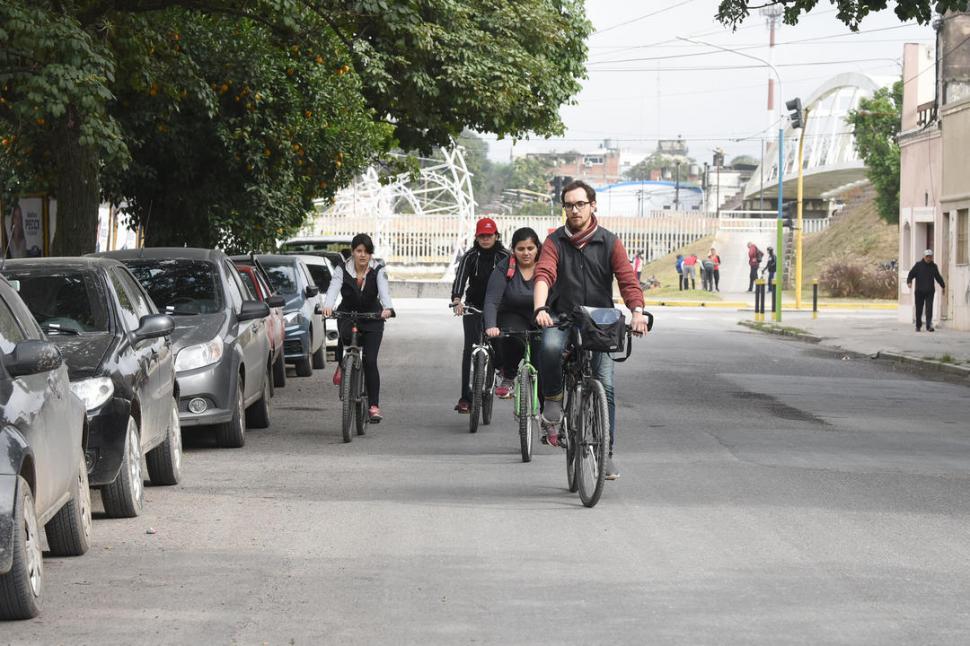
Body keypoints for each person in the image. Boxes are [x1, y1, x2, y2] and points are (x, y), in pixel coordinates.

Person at [533, 180, 649, 481]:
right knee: (547, 347)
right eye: (569, 205)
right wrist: (541, 309)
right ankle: (554, 400)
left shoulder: (609, 242)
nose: (574, 210)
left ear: (593, 205)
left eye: (580, 204)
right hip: (563, 316)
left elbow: (627, 280)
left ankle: (605, 453)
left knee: (605, 385)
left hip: (600, 320)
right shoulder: (554, 242)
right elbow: (544, 274)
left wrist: (637, 312)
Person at [323, 234, 395, 422]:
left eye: (367, 252)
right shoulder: (342, 269)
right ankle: (342, 364)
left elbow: (384, 290)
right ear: (353, 252)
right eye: (359, 251)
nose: (363, 255)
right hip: (348, 313)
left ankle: (373, 406)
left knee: (370, 361)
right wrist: (328, 305)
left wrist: (387, 308)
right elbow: (333, 288)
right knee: (344, 339)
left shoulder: (378, 269)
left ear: (371, 254)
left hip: (372, 317)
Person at [451, 218, 510, 413]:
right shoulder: (470, 256)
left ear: (496, 236)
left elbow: (512, 280)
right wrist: (458, 299)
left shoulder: (505, 256)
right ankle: (465, 398)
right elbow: (460, 278)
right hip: (474, 306)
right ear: (477, 237)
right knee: (469, 349)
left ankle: (501, 368)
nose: (485, 239)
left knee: (500, 341)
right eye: (482, 236)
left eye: (489, 235)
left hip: (498, 307)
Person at [484, 227, 542, 399]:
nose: (526, 253)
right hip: (513, 314)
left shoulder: (547, 265)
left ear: (538, 248)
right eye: (521, 249)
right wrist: (491, 326)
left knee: (545, 362)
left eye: (530, 248)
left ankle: (548, 416)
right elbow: (491, 300)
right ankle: (509, 376)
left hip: (541, 314)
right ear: (513, 250)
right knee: (512, 337)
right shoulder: (505, 268)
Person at [906, 249, 945, 332]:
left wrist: (943, 286)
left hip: (930, 291)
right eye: (927, 257)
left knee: (929, 309)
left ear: (932, 257)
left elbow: (938, 277)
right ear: (924, 257)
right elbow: (911, 274)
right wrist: (909, 282)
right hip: (919, 291)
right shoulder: (918, 265)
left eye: (930, 257)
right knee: (919, 309)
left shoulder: (934, 266)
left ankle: (928, 326)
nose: (928, 258)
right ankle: (918, 325)